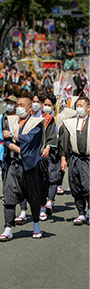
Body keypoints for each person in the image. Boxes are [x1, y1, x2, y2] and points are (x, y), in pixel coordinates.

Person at [0, 96, 45, 241]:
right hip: (14, 164)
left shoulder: (36, 123)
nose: (18, 107)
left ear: (30, 107)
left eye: (22, 105)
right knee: (9, 195)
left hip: (30, 167)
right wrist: (18, 146)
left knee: (34, 197)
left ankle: (36, 227)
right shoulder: (11, 121)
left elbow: (30, 141)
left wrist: (13, 137)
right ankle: (8, 229)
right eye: (17, 104)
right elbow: (6, 142)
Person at [59, 96, 90, 225]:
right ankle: (81, 213)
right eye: (77, 105)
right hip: (75, 158)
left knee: (88, 187)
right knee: (75, 186)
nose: (79, 108)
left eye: (82, 106)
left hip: (88, 159)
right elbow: (64, 143)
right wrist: (63, 159)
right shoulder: (69, 123)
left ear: (88, 108)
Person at [0, 95, 17, 187]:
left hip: (16, 148)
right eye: (7, 103)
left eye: (11, 103)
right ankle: (7, 195)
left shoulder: (19, 117)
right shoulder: (0, 118)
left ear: (16, 105)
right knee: (5, 173)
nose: (9, 105)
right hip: (3, 150)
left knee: (16, 172)